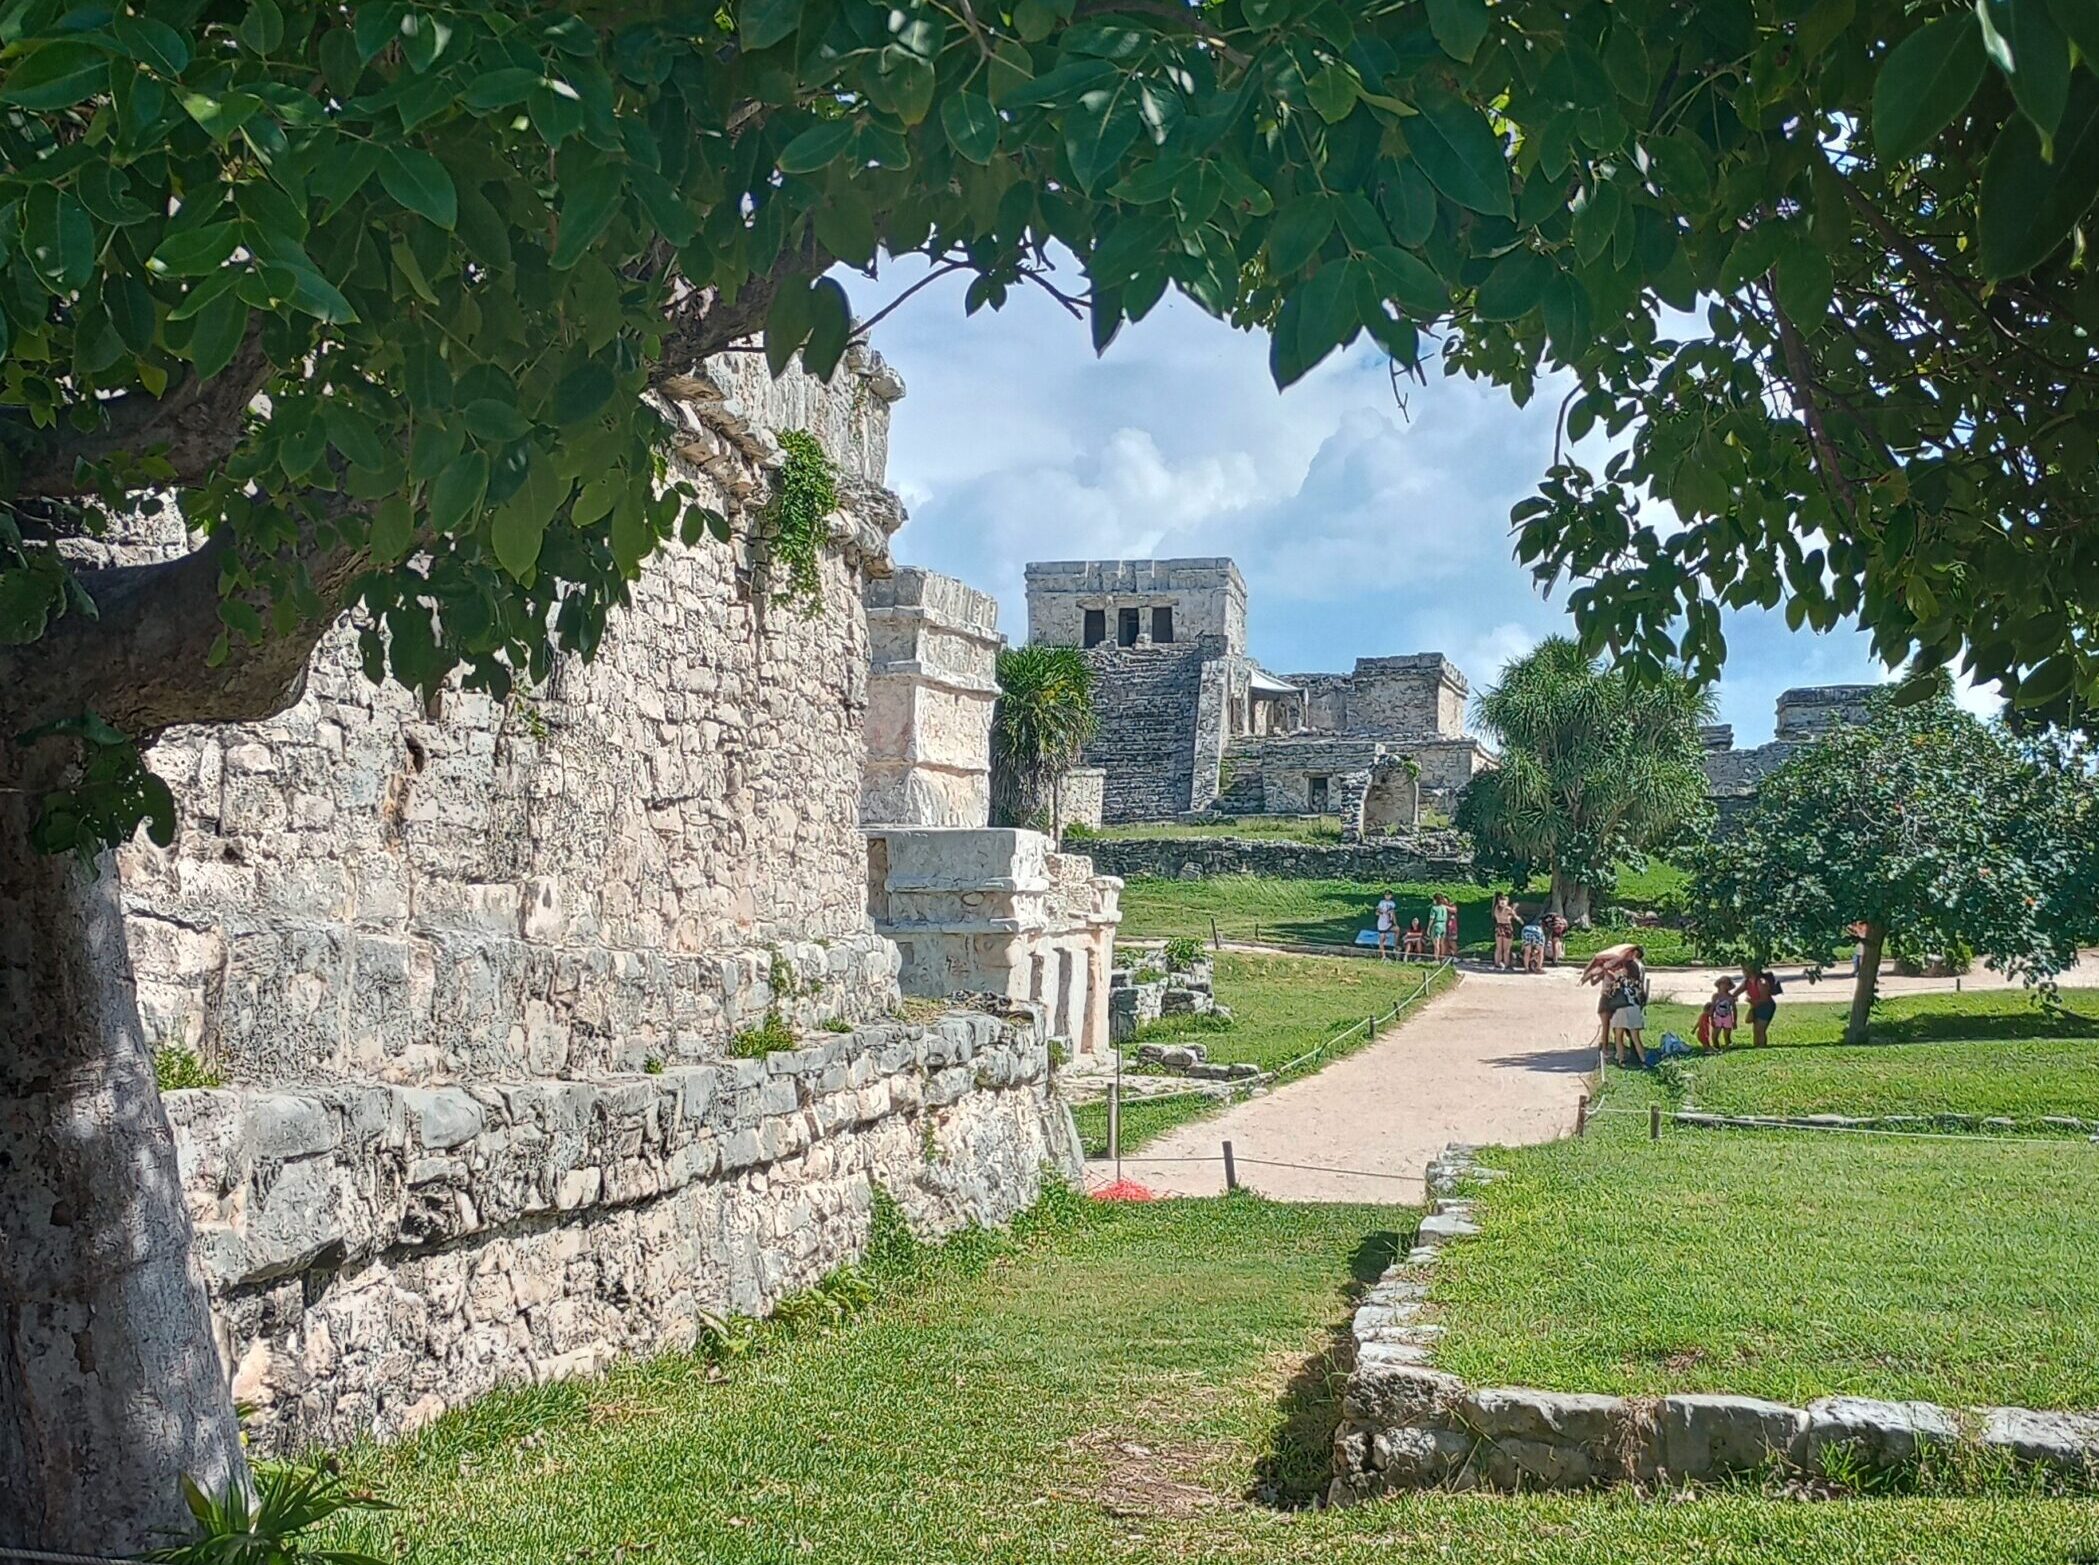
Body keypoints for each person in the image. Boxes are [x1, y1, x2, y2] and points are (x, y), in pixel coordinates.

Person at [1610, 946, 1650, 1067]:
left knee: (1618, 1035)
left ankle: (1621, 1059)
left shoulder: (1621, 980)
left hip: (1621, 1007)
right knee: (1635, 1036)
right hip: (1634, 1007)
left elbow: (1612, 993)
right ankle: (1643, 1060)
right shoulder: (1637, 980)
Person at [1741, 964, 1781, 1047]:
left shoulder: (1761, 982)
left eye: (1744, 969)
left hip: (1766, 1007)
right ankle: (1756, 1047)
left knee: (1760, 1029)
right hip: (1756, 1006)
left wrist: (1752, 1001)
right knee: (1755, 1030)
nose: (1743, 971)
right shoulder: (1747, 981)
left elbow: (1765, 999)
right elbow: (1737, 992)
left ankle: (1762, 1047)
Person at [1709, 976, 1738, 1050]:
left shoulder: (1730, 997)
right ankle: (1717, 1048)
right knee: (1714, 1036)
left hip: (1727, 1017)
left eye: (1727, 984)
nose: (1725, 986)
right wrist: (1711, 1018)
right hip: (1718, 1017)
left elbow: (1734, 1010)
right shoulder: (1716, 996)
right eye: (1723, 984)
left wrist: (1734, 1021)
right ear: (1719, 985)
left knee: (1727, 1036)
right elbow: (1712, 1007)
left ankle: (1728, 1049)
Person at [1492, 892, 1518, 970]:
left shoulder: (1496, 908)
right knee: (1506, 949)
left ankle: (1497, 963)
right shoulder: (1508, 909)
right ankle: (1507, 964)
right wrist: (1514, 909)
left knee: (1498, 947)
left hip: (1499, 926)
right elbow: (1515, 917)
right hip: (1507, 927)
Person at [1375, 891, 1398, 961]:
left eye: (1389, 895)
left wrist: (1395, 923)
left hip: (1389, 924)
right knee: (1382, 938)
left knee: (1397, 929)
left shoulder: (1392, 904)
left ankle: (1395, 947)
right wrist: (1381, 912)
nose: (1387, 896)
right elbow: (1377, 912)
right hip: (1382, 924)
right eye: (1386, 895)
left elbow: (1393, 914)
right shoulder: (1381, 903)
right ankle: (1383, 956)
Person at [1426, 895, 1450, 960]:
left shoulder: (1434, 908)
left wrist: (1428, 928)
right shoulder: (1444, 907)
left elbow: (1431, 919)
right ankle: (1442, 956)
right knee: (1442, 943)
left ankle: (1436, 958)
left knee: (1436, 943)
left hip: (1437, 925)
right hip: (1444, 925)